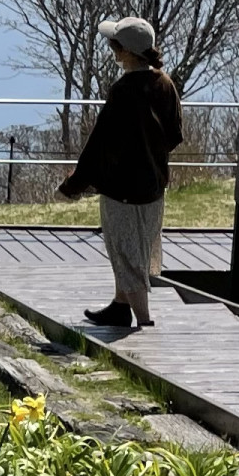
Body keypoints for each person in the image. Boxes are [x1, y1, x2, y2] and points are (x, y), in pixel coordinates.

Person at [56, 16, 183, 329]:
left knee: (126, 257)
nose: (111, 48)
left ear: (125, 51)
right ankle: (119, 307)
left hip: (122, 190)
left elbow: (99, 145)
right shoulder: (164, 83)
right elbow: (175, 134)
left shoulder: (123, 90)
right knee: (136, 250)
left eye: (114, 44)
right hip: (153, 187)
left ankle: (144, 324)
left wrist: (73, 186)